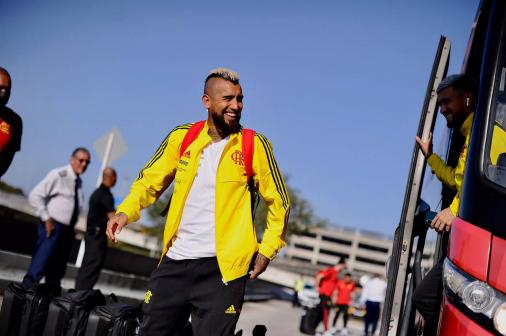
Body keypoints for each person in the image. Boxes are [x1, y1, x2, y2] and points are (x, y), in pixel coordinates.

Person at [106, 68, 290, 336]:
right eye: (227, 98)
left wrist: (267, 250)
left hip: (223, 271)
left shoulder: (254, 145)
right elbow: (149, 182)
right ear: (206, 101)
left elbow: (281, 203)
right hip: (175, 261)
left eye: (240, 99)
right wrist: (125, 212)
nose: (236, 106)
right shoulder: (182, 137)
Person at [412, 74, 476, 334]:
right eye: (439, 105)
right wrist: (430, 157)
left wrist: (455, 209)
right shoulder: (470, 134)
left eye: (447, 101)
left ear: (468, 97)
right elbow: (456, 180)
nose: (442, 110)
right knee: (427, 299)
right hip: (464, 236)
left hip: (476, 239)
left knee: (426, 298)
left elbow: (487, 181)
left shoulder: (487, 133)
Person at [23, 147, 91, 288]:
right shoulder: (59, 175)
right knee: (38, 269)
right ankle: (20, 303)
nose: (84, 164)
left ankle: (46, 308)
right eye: (81, 160)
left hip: (67, 232)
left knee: (56, 275)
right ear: (72, 160)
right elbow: (35, 195)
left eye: (87, 162)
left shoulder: (79, 182)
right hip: (52, 228)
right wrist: (46, 218)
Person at [75, 167, 117, 290]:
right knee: (91, 270)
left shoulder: (97, 192)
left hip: (91, 235)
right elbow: (112, 216)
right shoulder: (105, 195)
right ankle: (80, 298)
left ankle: (77, 297)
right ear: (112, 178)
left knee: (87, 268)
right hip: (97, 238)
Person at [0, 67, 22, 178]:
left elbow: (7, 160)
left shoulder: (15, 121)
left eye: (7, 89)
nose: (3, 92)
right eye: (0, 88)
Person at [315, 257, 346, 336]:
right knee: (325, 312)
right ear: (341, 265)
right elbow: (319, 276)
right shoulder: (331, 270)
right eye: (344, 267)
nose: (344, 269)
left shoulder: (336, 274)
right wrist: (317, 287)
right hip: (324, 294)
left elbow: (334, 287)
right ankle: (326, 331)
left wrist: (334, 297)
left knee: (322, 313)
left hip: (328, 296)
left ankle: (313, 329)